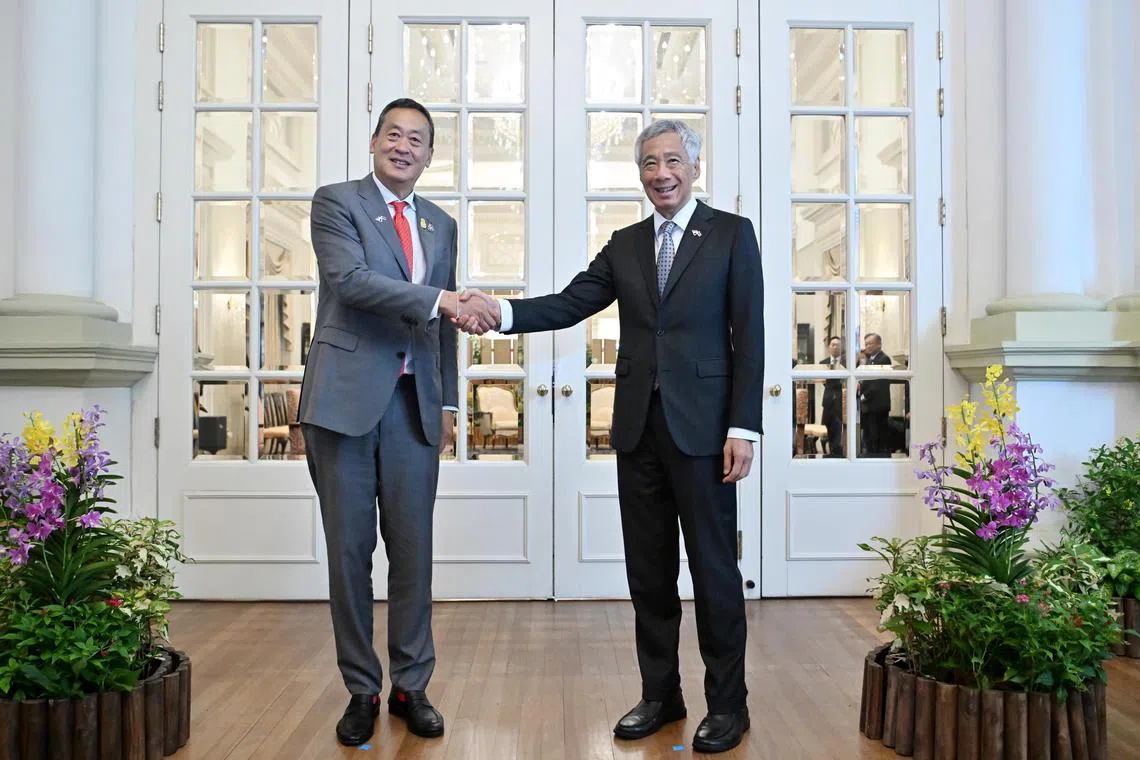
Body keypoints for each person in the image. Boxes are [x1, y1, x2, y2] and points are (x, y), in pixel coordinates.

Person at [457, 119, 763, 754]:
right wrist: (500, 313)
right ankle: (661, 695)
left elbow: (749, 338)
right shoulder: (624, 245)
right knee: (647, 574)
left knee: (713, 572)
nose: (661, 173)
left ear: (695, 168)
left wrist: (743, 426)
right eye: (649, 163)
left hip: (706, 433)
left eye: (673, 161)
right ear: (640, 173)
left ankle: (728, 705)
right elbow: (570, 303)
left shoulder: (732, 235)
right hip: (637, 432)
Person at [298, 98, 476, 746]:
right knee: (349, 555)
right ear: (374, 142)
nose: (405, 146)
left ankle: (410, 685)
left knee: (413, 554)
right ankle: (360, 689)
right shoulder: (337, 202)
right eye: (394, 135)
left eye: (418, 140)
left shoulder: (440, 224)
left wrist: (450, 402)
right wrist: (440, 299)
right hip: (344, 406)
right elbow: (350, 282)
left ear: (430, 155)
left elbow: (447, 326)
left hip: (413, 407)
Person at [857, 332, 892, 457]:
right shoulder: (870, 360)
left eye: (870, 344)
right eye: (866, 344)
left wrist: (864, 396)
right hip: (868, 406)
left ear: (879, 344)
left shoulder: (883, 359)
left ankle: (876, 457)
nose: (867, 346)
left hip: (878, 406)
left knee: (877, 436)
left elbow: (877, 383)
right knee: (869, 437)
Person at [822, 336, 845, 457]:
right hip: (827, 402)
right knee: (828, 428)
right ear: (829, 347)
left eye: (838, 345)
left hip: (841, 402)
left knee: (838, 430)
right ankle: (830, 452)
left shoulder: (847, 363)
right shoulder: (823, 363)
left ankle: (838, 453)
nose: (835, 347)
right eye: (833, 345)